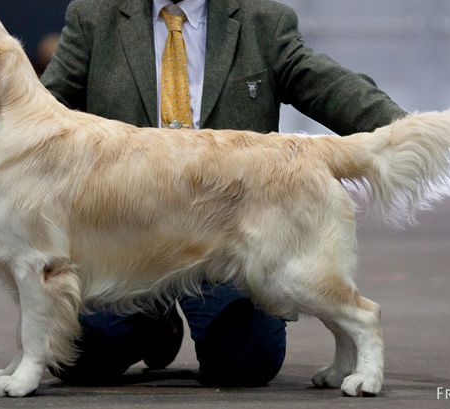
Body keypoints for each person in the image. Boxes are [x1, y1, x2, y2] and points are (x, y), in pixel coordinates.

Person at [41, 0, 407, 387]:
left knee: (247, 360)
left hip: (226, 240)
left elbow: (327, 85)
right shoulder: (94, 16)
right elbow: (40, 109)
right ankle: (154, 327)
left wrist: (402, 131)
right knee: (77, 359)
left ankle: (166, 322)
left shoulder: (261, 19)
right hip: (125, 247)